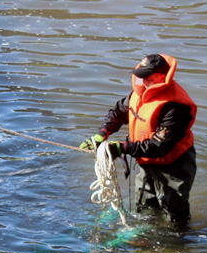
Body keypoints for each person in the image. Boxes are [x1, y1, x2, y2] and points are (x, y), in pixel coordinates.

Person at [81, 53, 197, 225]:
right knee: (144, 206)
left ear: (162, 77)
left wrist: (122, 148)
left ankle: (177, 244)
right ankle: (145, 241)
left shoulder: (175, 106)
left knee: (174, 213)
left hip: (173, 165)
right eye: (141, 75)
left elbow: (159, 146)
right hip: (146, 162)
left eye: (148, 76)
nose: (143, 80)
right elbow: (118, 112)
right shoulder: (140, 92)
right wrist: (101, 134)